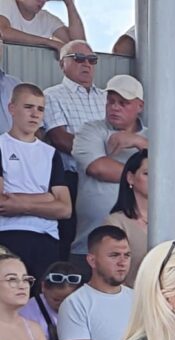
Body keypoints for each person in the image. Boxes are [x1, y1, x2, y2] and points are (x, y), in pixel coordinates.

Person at [0, 83, 70, 280]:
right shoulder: (1, 146)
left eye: (40, 109)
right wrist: (47, 198)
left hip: (46, 238)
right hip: (7, 236)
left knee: (40, 302)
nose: (35, 114)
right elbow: (2, 203)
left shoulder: (50, 153)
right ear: (11, 109)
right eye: (28, 107)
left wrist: (21, 204)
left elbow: (65, 209)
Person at [70, 74, 146, 255]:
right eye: (110, 101)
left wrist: (139, 142)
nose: (114, 107)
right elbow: (99, 168)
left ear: (140, 106)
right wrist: (146, 176)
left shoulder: (154, 136)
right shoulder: (89, 130)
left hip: (140, 250)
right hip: (89, 246)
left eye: (123, 102)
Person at [42, 40, 105, 255]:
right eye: (78, 58)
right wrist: (101, 157)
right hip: (73, 180)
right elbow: (60, 138)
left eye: (92, 59)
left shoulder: (107, 98)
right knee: (71, 241)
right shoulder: (52, 95)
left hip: (107, 180)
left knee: (105, 239)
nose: (86, 64)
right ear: (62, 64)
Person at [104, 151, 175, 289]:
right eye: (147, 173)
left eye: (159, 173)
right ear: (130, 178)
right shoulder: (116, 222)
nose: (155, 178)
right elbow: (112, 273)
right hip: (132, 301)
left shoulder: (171, 220)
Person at [0, 0, 83, 50]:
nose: (43, 1)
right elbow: (3, 32)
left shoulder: (47, 19)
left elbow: (79, 45)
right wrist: (48, 42)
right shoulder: (5, 3)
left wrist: (70, 4)